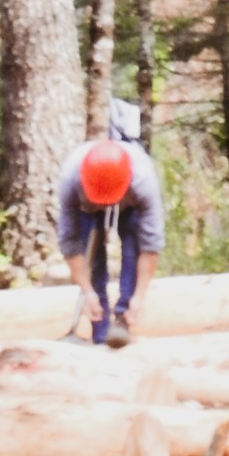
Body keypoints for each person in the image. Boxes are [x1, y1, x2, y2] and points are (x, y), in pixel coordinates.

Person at [55, 137, 166, 349]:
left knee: (133, 248)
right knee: (92, 255)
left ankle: (123, 321)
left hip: (130, 204)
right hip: (85, 206)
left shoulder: (143, 179)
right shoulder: (71, 178)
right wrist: (87, 291)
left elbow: (151, 244)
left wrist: (139, 296)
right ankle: (99, 328)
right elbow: (70, 242)